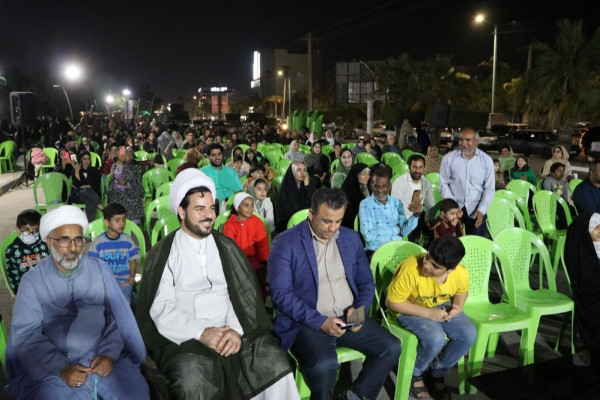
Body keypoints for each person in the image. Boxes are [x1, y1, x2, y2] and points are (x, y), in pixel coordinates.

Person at [135, 169, 299, 400]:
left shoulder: (225, 247)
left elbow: (240, 296)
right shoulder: (164, 252)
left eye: (212, 208)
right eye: (199, 209)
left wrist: (234, 330)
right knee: (191, 378)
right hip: (184, 334)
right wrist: (202, 333)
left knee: (273, 361)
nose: (209, 215)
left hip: (230, 327)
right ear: (181, 211)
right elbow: (161, 308)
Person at [268, 188, 402, 400]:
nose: (333, 228)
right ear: (311, 214)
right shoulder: (286, 243)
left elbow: (366, 282)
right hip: (308, 321)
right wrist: (320, 321)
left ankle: (355, 396)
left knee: (391, 347)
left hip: (348, 317)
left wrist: (360, 309)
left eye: (338, 221)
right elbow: (281, 296)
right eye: (326, 221)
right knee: (324, 365)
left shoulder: (350, 238)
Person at [6, 205, 149, 399]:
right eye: (64, 239)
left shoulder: (99, 269)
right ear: (49, 242)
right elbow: (26, 334)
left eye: (78, 239)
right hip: (51, 364)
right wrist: (60, 369)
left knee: (133, 392)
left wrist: (109, 355)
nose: (73, 248)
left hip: (101, 356)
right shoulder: (32, 281)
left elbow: (116, 316)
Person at [385, 235, 476, 400]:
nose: (426, 265)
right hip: (408, 307)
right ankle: (415, 372)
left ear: (450, 269)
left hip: (440, 305)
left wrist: (458, 307)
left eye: (435, 266)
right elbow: (392, 302)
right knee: (435, 338)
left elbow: (462, 290)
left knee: (468, 334)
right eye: (427, 257)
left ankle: (437, 372)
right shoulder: (411, 267)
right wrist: (429, 313)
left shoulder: (460, 272)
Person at [439, 127, 494, 236]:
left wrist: (481, 210)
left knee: (475, 247)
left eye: (468, 140)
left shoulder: (486, 160)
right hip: (454, 211)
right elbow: (443, 184)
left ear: (476, 141)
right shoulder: (448, 158)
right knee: (453, 246)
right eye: (461, 139)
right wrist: (453, 207)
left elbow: (489, 188)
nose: (464, 143)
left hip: (476, 210)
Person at [360, 165, 421, 257]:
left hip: (397, 249)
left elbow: (404, 231)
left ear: (389, 186)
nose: (380, 190)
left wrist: (416, 215)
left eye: (384, 186)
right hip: (376, 250)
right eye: (377, 186)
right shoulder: (365, 204)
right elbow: (368, 235)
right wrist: (395, 230)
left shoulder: (397, 203)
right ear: (371, 187)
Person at [565, 212, 600, 367]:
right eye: (596, 228)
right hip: (590, 294)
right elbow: (586, 280)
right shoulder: (579, 250)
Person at [88, 203, 140, 304]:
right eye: (117, 220)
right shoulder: (98, 243)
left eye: (123, 220)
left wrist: (132, 277)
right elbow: (92, 265)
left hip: (124, 282)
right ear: (107, 222)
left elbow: (132, 262)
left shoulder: (127, 241)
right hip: (105, 283)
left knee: (125, 302)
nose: (122, 223)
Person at [223, 192, 270, 299]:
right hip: (237, 263)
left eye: (252, 205)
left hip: (255, 262)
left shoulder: (257, 222)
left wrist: (263, 261)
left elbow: (262, 244)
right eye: (246, 205)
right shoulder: (230, 225)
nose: (250, 208)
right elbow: (230, 248)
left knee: (258, 288)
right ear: (238, 208)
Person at [391, 154, 437, 240]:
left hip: (419, 216)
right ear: (409, 167)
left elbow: (430, 204)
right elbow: (395, 206)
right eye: (414, 167)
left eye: (420, 167)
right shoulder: (400, 182)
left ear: (424, 168)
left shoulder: (426, 183)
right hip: (403, 218)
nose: (417, 170)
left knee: (435, 227)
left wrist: (428, 220)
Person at [5, 209, 49, 294]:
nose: (31, 233)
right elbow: (13, 277)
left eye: (35, 230)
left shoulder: (45, 244)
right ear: (17, 230)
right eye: (26, 229)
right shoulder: (12, 251)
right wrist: (18, 295)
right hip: (27, 290)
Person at [274, 161, 316, 232]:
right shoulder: (285, 188)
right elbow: (285, 211)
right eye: (299, 170)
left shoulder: (308, 183)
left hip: (307, 220)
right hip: (289, 222)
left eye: (304, 170)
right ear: (292, 171)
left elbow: (314, 203)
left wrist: (307, 187)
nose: (302, 173)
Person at [201, 143, 243, 212]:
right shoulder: (203, 173)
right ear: (208, 157)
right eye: (214, 155)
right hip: (212, 205)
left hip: (231, 204)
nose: (217, 157)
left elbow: (238, 191)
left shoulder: (231, 172)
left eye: (219, 154)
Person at [108, 147, 144, 224]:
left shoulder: (133, 167)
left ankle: (133, 226)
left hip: (132, 191)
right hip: (118, 193)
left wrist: (126, 184)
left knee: (135, 199)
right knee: (122, 200)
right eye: (127, 155)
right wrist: (120, 162)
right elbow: (116, 179)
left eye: (131, 155)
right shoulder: (115, 166)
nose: (130, 157)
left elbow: (137, 183)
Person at [70, 150, 103, 221]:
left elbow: (96, 185)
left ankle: (90, 225)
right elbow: (76, 185)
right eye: (84, 159)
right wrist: (76, 172)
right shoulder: (76, 170)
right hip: (79, 196)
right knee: (87, 190)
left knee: (89, 201)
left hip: (91, 195)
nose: (86, 161)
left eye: (88, 159)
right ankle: (102, 208)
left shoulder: (95, 171)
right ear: (80, 160)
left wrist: (84, 186)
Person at [340, 163, 370, 229]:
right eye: (364, 174)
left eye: (368, 174)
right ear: (357, 175)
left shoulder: (365, 188)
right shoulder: (348, 193)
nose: (367, 177)